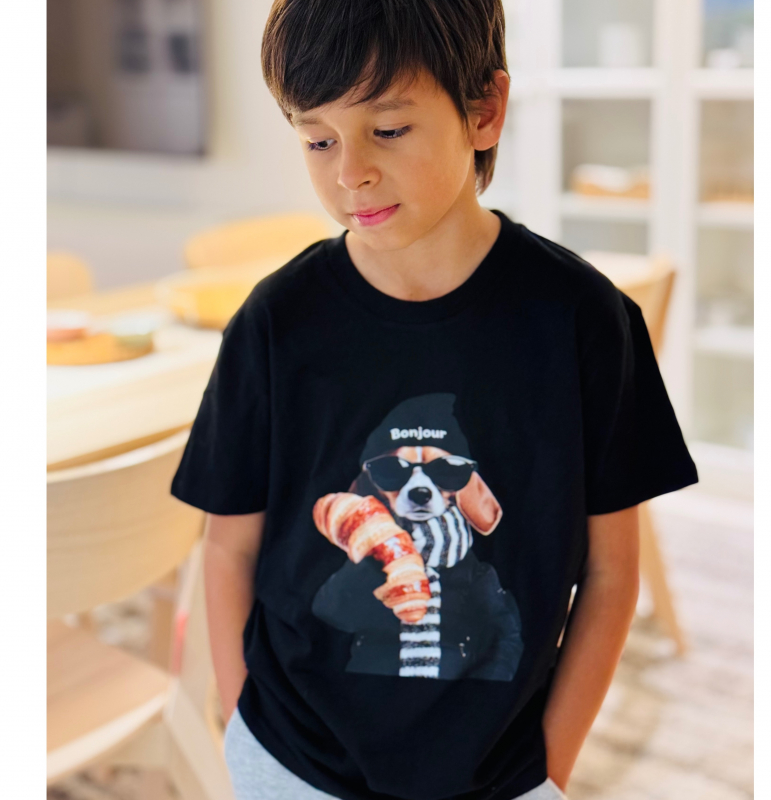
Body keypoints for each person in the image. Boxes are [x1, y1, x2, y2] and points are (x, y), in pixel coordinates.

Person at [169, 1, 699, 798]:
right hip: (291, 757)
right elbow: (228, 547)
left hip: (501, 772)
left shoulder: (583, 320)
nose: (349, 173)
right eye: (318, 139)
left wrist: (550, 763)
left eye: (387, 129)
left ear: (484, 111)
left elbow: (613, 571)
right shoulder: (275, 322)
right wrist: (244, 717)